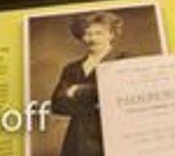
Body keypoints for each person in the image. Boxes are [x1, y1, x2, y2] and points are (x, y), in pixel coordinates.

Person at [49, 11, 128, 156]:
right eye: (87, 34)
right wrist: (98, 101)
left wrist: (77, 91)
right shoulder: (71, 68)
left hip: (112, 134)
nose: (92, 39)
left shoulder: (123, 60)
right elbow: (57, 104)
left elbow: (122, 93)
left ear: (111, 34)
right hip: (77, 139)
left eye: (99, 33)